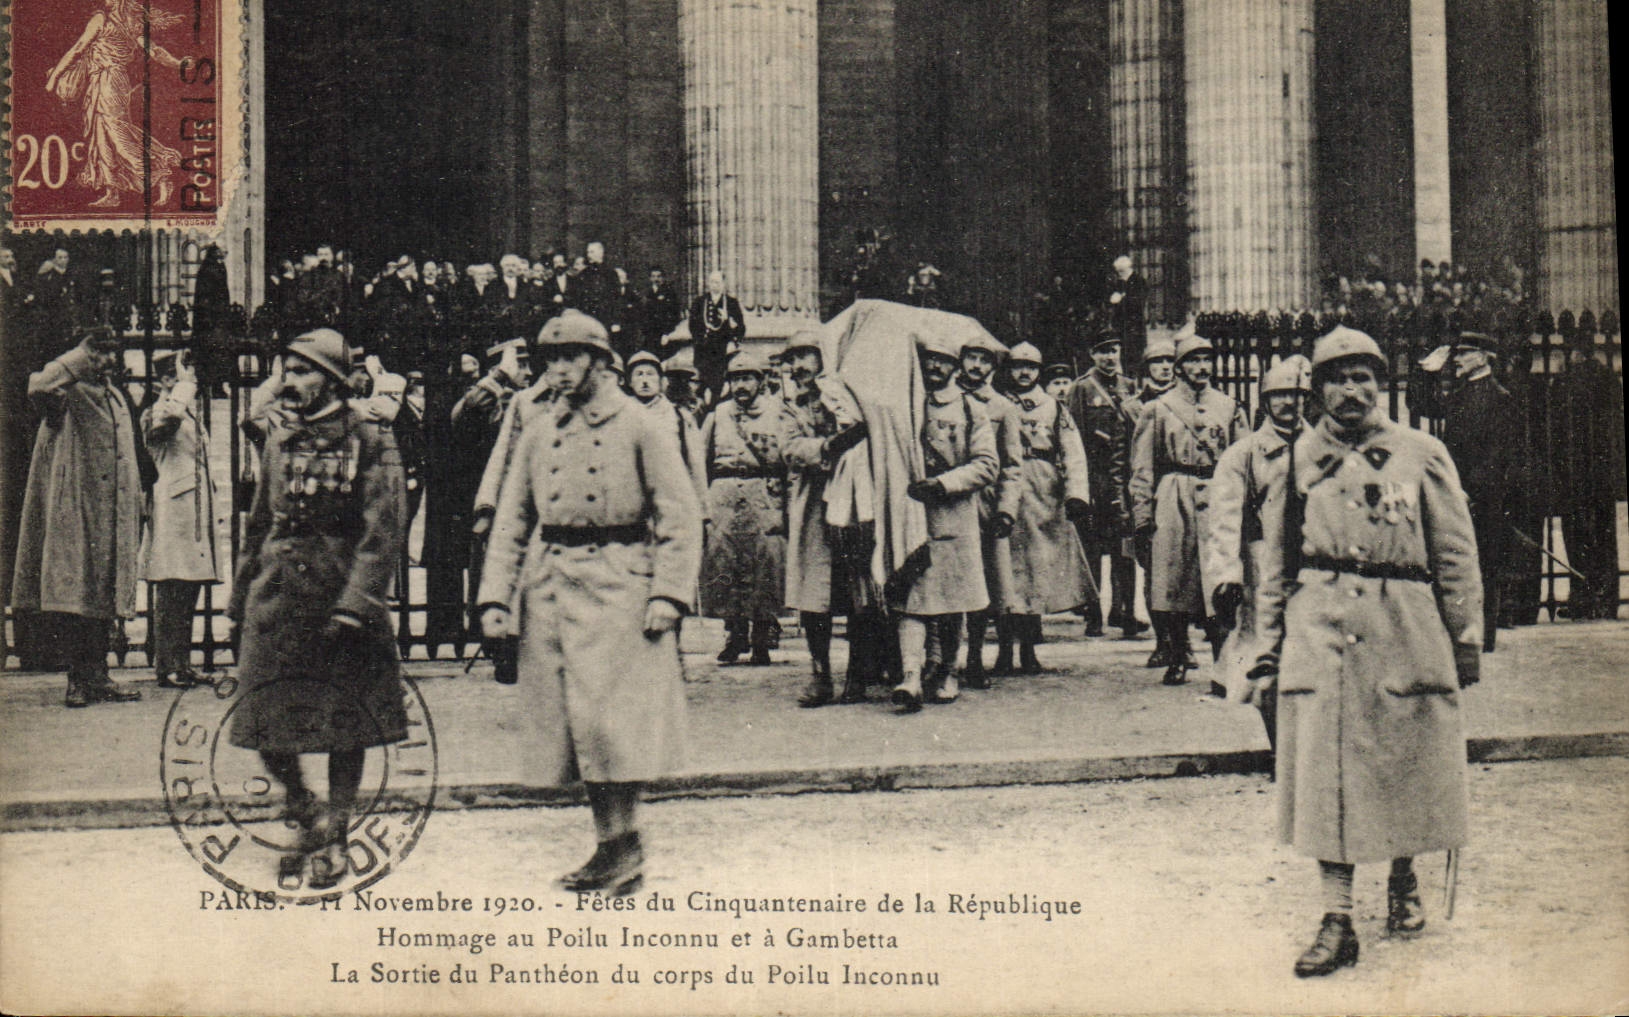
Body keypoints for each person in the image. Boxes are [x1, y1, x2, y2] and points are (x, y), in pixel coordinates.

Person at [1256, 325, 1479, 978]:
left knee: (1404, 760)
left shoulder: (1421, 452)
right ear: (1317, 390)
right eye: (1336, 378)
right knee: (1326, 773)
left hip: (1403, 624)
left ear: (1383, 386)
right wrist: (1266, 650)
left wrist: (1464, 639)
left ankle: (1402, 876)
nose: (1350, 390)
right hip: (1319, 628)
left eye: (1363, 378)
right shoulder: (1295, 461)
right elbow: (1274, 564)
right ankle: (1336, 916)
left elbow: (1455, 554)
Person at [478, 311, 701, 896]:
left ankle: (625, 844)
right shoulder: (537, 428)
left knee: (612, 727)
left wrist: (669, 595)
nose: (557, 371)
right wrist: (495, 597)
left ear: (601, 362)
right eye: (549, 360)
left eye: (569, 358)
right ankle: (611, 847)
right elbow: (513, 517)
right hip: (551, 583)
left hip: (619, 584)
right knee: (576, 730)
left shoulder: (640, 425)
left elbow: (678, 515)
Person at [226, 328, 409, 889]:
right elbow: (260, 521)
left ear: (331, 379)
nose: (289, 381)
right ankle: (307, 813)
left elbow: (383, 531)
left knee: (343, 726)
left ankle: (337, 836)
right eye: (286, 370)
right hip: (278, 598)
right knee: (264, 726)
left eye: (302, 371)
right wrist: (239, 597)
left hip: (338, 599)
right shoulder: (280, 437)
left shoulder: (370, 438)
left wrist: (357, 603)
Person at [10, 325, 144, 706]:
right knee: (75, 595)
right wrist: (81, 355)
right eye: (103, 354)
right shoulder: (66, 395)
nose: (111, 361)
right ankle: (77, 680)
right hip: (78, 509)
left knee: (102, 593)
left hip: (110, 513)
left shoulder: (114, 397)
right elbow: (38, 384)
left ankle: (99, 675)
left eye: (112, 354)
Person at [1129, 328, 1247, 687]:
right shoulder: (1158, 409)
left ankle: (1222, 664)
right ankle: (1177, 655)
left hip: (1217, 495)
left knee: (1220, 581)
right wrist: (1142, 517)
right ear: (1179, 368)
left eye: (1206, 359)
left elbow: (1244, 459)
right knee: (1174, 579)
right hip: (1173, 496)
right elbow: (1143, 467)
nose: (1201, 366)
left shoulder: (1228, 407)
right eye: (1193, 360)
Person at [1204, 355, 1311, 750]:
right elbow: (1225, 521)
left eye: (1298, 395)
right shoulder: (1243, 455)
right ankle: (1280, 747)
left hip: (1314, 565)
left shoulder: (1321, 448)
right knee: (1265, 656)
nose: (1290, 403)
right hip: (1262, 566)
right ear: (1265, 401)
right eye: (1280, 395)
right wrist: (1226, 577)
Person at [890, 330, 998, 710]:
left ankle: (949, 670)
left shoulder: (971, 409)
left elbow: (987, 465)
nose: (935, 367)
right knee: (911, 599)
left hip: (953, 514)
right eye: (930, 360)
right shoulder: (905, 405)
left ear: (955, 367)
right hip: (912, 514)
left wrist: (943, 483)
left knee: (954, 601)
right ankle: (910, 676)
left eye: (944, 361)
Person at [780, 332, 876, 706]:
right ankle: (820, 675)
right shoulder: (792, 406)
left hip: (854, 505)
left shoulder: (848, 396)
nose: (799, 366)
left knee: (857, 590)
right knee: (814, 596)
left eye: (807, 356)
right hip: (815, 509)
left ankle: (858, 674)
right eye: (794, 359)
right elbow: (789, 447)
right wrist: (831, 446)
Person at [1415, 331, 1516, 648]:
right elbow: (1421, 405)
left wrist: (1471, 489)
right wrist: (1427, 372)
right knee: (1453, 560)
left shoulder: (1499, 397)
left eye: (1465, 352)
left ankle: (1483, 634)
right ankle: (1460, 631)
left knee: (1484, 563)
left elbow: (1497, 454)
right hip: (1456, 492)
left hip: (1481, 497)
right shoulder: (1461, 394)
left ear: (1484, 357)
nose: (1457, 358)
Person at [699, 350, 793, 665]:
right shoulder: (717, 415)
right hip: (724, 496)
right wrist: (704, 505)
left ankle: (762, 637)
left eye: (748, 378)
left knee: (764, 565)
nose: (741, 385)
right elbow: (701, 461)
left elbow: (787, 457)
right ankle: (735, 633)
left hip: (762, 493)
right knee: (726, 563)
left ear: (761, 381)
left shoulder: (777, 413)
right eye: (736, 378)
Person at [1002, 342, 1091, 672]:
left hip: (1042, 488)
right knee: (1006, 570)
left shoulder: (1054, 408)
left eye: (1031, 366)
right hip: (1005, 488)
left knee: (1037, 569)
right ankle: (1003, 652)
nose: (1024, 372)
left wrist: (1075, 495)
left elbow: (1073, 453)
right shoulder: (997, 404)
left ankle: (1028, 648)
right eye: (1017, 366)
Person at [139, 349, 222, 688]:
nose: (192, 380)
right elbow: (164, 426)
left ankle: (182, 663)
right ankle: (167, 666)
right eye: (180, 373)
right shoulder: (159, 410)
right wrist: (182, 389)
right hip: (174, 512)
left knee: (187, 591)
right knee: (172, 589)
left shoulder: (186, 412)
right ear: (164, 381)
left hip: (192, 513)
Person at [952, 332, 1023, 687]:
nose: (976, 366)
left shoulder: (1003, 408)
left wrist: (1006, 510)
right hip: (948, 501)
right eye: (971, 358)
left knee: (985, 588)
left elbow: (1012, 465)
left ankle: (977, 658)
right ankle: (943, 660)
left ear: (992, 368)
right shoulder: (941, 399)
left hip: (984, 504)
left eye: (984, 360)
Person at [1065, 329, 1137, 638]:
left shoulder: (1130, 386)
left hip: (1122, 479)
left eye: (1114, 350)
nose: (1110, 357)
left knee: (1125, 550)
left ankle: (1124, 612)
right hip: (1094, 479)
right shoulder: (1081, 389)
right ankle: (1093, 615)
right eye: (1103, 351)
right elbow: (1073, 436)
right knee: (1092, 550)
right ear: (1092, 355)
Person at [1554, 327, 1625, 620]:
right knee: (1605, 534)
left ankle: (1582, 596)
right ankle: (1607, 599)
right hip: (1603, 470)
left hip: (1573, 470)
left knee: (1577, 535)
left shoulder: (1564, 381)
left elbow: (1556, 430)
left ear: (1572, 351)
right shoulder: (1609, 378)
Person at [688, 271, 746, 401]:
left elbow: (741, 327)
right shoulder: (700, 302)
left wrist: (733, 337)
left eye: (718, 282)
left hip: (722, 351)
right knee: (702, 383)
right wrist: (700, 340)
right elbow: (693, 325)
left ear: (723, 284)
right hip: (704, 349)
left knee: (719, 385)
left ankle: (715, 408)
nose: (715, 285)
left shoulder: (731, 303)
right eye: (712, 282)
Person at [1107, 255, 1148, 377]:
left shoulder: (1139, 281)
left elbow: (1138, 303)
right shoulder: (1120, 283)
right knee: (1124, 358)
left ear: (1126, 269)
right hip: (1122, 327)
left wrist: (1120, 300)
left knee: (1135, 358)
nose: (1119, 274)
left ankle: (1135, 382)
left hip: (1134, 327)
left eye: (1120, 271)